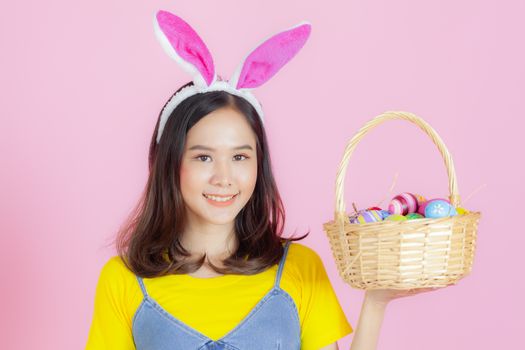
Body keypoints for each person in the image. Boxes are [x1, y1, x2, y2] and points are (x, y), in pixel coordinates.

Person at [86, 10, 437, 350]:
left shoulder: (298, 268)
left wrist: (375, 304)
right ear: (170, 162)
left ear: (259, 164)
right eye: (203, 157)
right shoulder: (123, 279)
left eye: (240, 157)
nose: (224, 177)